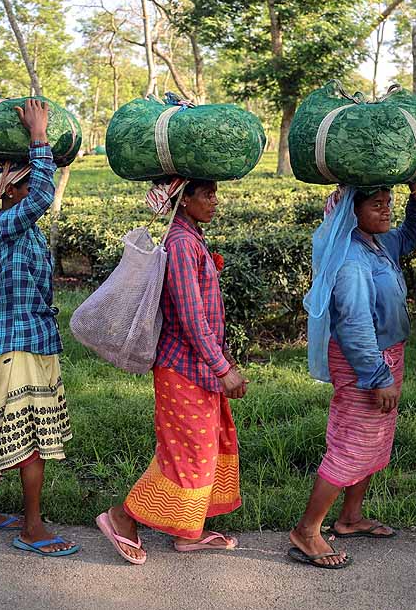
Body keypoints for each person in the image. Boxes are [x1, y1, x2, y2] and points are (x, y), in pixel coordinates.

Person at [96, 177, 248, 565]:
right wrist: (223, 367)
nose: (216, 201)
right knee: (186, 454)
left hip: (198, 369)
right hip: (183, 368)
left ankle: (188, 532)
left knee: (203, 448)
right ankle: (122, 518)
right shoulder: (181, 244)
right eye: (208, 194)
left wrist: (218, 365)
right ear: (184, 200)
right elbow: (191, 316)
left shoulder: (191, 236)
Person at [288, 180, 416, 570]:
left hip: (386, 356)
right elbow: (354, 325)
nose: (386, 210)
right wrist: (377, 374)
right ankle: (307, 530)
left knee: (375, 440)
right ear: (352, 211)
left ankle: (350, 518)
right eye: (377, 204)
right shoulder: (352, 259)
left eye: (389, 202)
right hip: (366, 361)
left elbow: (410, 236)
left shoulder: (378, 243)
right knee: (352, 444)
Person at [0, 100, 77, 557]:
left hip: (31, 344)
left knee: (5, 428)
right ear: (9, 193)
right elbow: (42, 196)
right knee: (30, 438)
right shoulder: (5, 225)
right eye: (26, 182)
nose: (34, 187)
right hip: (16, 349)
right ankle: (32, 527)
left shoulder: (22, 230)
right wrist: (38, 137)